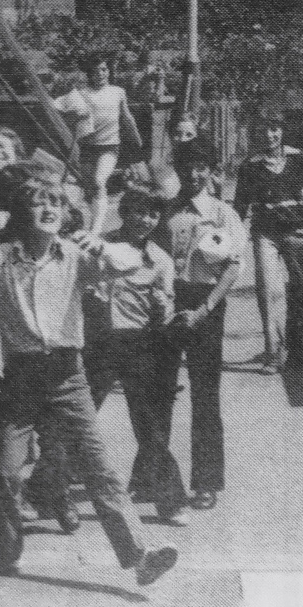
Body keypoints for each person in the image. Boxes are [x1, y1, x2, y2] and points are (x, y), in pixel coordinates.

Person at [0, 160, 179, 586]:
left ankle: (139, 556)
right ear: (20, 211)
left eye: (55, 202)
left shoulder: (76, 254)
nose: (48, 209)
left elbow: (129, 262)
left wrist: (102, 247)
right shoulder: (0, 258)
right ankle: (4, 554)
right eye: (37, 202)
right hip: (20, 377)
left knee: (98, 467)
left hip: (68, 376)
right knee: (6, 472)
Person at [86, 180, 188, 519]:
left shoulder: (159, 260)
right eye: (139, 212)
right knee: (74, 418)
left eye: (153, 214)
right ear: (124, 212)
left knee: (149, 427)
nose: (145, 220)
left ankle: (170, 501)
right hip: (98, 343)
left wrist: (163, 305)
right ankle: (42, 495)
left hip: (138, 343)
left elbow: (167, 310)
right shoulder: (98, 246)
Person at [156, 141, 243, 508]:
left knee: (205, 395)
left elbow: (233, 267)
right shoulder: (166, 211)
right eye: (187, 167)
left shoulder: (223, 214)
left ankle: (206, 482)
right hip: (169, 301)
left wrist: (204, 310)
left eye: (201, 167)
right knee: (159, 391)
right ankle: (152, 475)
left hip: (206, 303)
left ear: (211, 170)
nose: (193, 175)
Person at [233, 114, 303, 373]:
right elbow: (239, 208)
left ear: (282, 130)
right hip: (266, 234)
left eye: (274, 129)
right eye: (263, 130)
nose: (269, 136)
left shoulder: (297, 158)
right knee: (269, 291)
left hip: (298, 230)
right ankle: (273, 351)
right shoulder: (249, 166)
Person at [53, 52, 135, 204]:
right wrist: (74, 117)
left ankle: (97, 227)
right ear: (89, 74)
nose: (100, 74)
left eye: (103, 69)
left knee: (99, 181)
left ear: (108, 71)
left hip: (110, 146)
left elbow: (127, 117)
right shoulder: (82, 94)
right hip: (87, 147)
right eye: (95, 71)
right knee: (90, 188)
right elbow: (56, 107)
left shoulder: (118, 92)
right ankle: (93, 221)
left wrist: (136, 137)